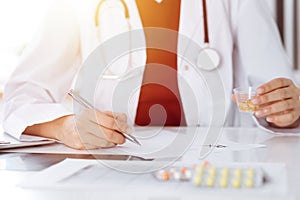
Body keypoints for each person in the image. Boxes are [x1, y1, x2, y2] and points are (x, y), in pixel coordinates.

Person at [3, 0, 300, 150]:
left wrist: (287, 109)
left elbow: (279, 88)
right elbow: (19, 100)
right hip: (111, 168)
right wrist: (64, 126)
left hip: (215, 162)